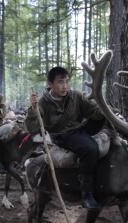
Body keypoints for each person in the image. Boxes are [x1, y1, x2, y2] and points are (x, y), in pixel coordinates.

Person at [25, 66, 105, 209]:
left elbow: (93, 111)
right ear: (50, 84)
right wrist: (33, 110)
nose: (65, 86)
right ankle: (86, 194)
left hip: (80, 129)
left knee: (104, 119)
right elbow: (33, 128)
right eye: (61, 82)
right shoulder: (43, 103)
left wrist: (107, 112)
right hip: (62, 135)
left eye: (67, 81)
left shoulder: (76, 96)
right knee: (91, 148)